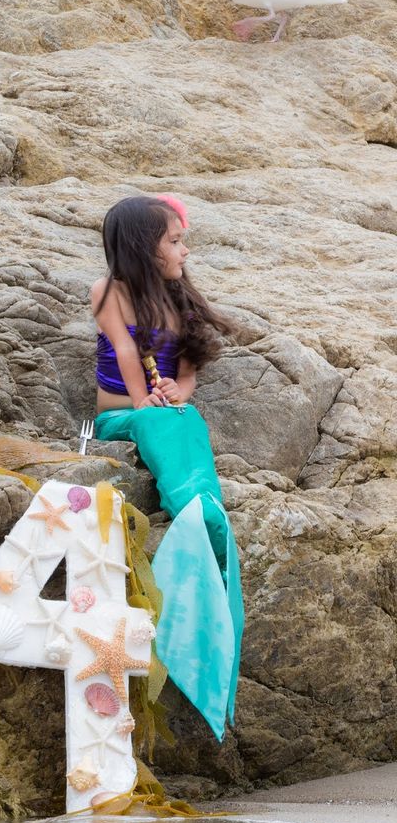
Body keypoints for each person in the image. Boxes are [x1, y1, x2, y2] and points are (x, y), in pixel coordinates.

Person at [91, 193, 244, 741]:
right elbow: (127, 359)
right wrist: (147, 400)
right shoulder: (109, 293)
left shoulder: (176, 300)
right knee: (161, 424)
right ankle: (192, 507)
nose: (185, 250)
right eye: (175, 241)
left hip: (161, 407)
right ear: (143, 248)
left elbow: (187, 367)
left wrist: (177, 391)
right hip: (117, 418)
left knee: (187, 418)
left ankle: (206, 509)